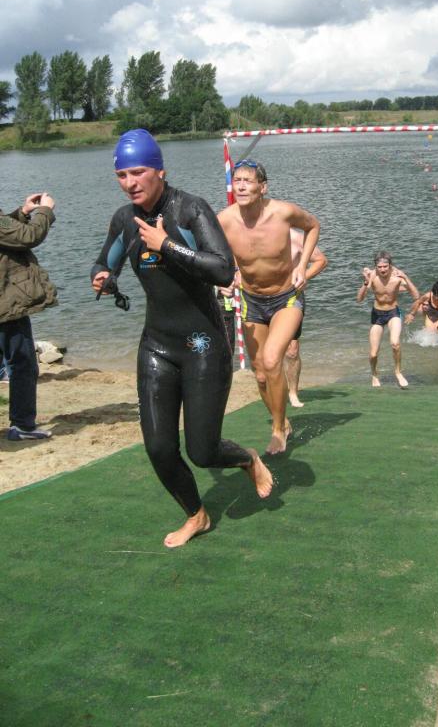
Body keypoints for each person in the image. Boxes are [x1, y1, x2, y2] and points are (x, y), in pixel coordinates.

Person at [91, 130, 273, 548]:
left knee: (203, 452)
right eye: (122, 175)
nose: (130, 182)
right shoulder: (124, 219)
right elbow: (105, 261)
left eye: (138, 172)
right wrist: (102, 277)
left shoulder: (190, 209)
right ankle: (197, 515)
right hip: (157, 345)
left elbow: (223, 269)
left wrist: (167, 245)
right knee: (158, 447)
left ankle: (247, 459)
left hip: (202, 345)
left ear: (159, 171)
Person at [218, 159, 320, 455]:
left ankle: (276, 431)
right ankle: (283, 421)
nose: (241, 186)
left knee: (273, 359)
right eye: (237, 180)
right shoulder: (223, 220)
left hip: (286, 297)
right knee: (261, 373)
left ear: (262, 187)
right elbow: (212, 253)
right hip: (251, 300)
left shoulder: (283, 212)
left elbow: (313, 226)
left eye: (248, 181)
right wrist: (224, 277)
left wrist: (302, 266)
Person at [1, 192, 57, 440]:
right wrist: (45, 211)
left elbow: (7, 231)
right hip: (6, 306)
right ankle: (22, 425)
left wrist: (23, 213)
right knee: (23, 364)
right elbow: (29, 236)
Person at [356, 251, 419, 388]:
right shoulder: (372, 276)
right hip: (377, 314)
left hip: (393, 312)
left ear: (390, 265)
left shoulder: (397, 277)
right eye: (380, 267)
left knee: (395, 343)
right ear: (376, 267)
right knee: (373, 354)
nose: (383, 269)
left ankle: (398, 372)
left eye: (385, 266)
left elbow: (416, 296)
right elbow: (359, 299)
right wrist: (366, 282)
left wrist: (406, 278)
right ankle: (374, 374)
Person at [284, 229, 327, 407]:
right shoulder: (257, 233)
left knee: (292, 350)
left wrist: (303, 276)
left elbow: (321, 260)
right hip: (261, 297)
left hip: (291, 296)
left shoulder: (295, 236)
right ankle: (275, 388)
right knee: (267, 352)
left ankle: (293, 392)